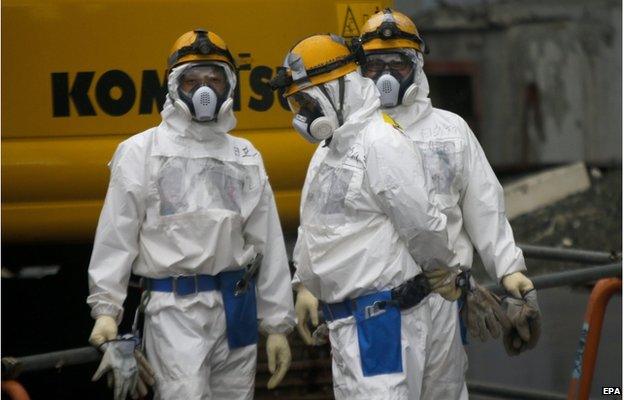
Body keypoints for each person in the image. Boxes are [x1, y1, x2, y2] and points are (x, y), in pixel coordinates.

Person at [87, 29, 296, 400]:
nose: (204, 90)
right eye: (192, 80)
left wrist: (277, 324)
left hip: (236, 307)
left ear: (229, 85)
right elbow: (116, 236)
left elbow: (268, 243)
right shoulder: (141, 151)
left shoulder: (244, 155)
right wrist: (107, 309)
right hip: (174, 311)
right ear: (173, 86)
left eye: (214, 78)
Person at [356, 8, 542, 398]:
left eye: (397, 64)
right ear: (360, 69)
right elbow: (329, 217)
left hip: (445, 302)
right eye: (375, 65)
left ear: (417, 66)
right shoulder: (349, 137)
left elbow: (484, 204)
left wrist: (510, 269)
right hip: (377, 308)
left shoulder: (450, 131)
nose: (386, 77)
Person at [271, 33, 462, 400]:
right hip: (346, 325)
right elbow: (316, 227)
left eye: (306, 101)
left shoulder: (382, 142)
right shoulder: (329, 153)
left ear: (338, 89)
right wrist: (306, 286)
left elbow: (421, 221)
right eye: (296, 104)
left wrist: (441, 266)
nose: (302, 115)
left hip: (382, 324)